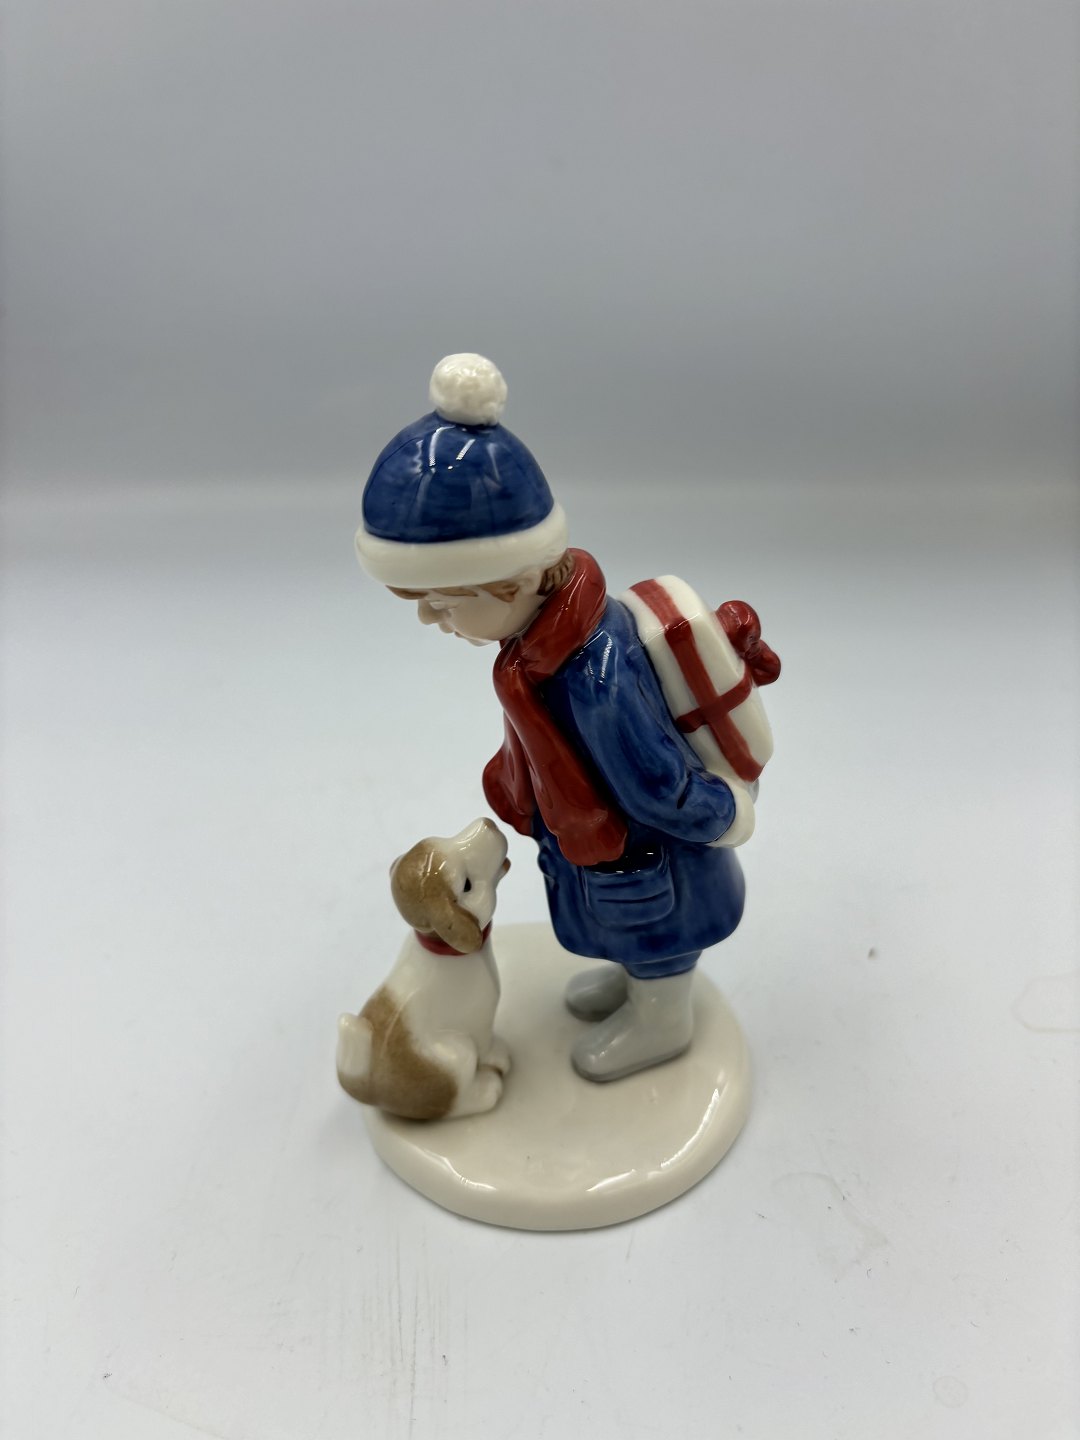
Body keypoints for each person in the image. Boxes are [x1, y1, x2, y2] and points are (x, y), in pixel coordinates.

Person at [355, 354, 745, 1081]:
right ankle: (635, 984)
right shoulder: (536, 656)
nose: (432, 619)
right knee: (624, 925)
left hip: (651, 847)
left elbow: (655, 781)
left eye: (444, 601)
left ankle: (662, 1018)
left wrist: (721, 815)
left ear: (520, 578)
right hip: (612, 848)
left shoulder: (593, 674)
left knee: (656, 931)